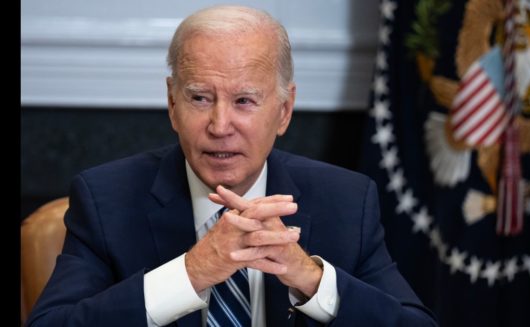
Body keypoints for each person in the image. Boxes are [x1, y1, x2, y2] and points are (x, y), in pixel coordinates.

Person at [26, 5, 438, 327]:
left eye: (244, 101)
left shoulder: (346, 201)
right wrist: (190, 273)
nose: (220, 126)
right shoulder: (105, 199)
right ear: (172, 104)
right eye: (200, 98)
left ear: (284, 110)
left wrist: (310, 278)